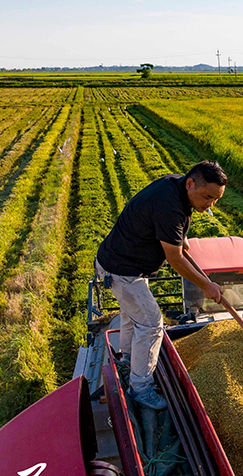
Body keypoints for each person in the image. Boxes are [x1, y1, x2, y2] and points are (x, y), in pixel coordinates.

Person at [95, 161, 227, 410]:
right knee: (151, 322)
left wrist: (179, 235)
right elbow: (175, 259)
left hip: (126, 260)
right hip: (121, 269)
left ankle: (128, 361)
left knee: (132, 315)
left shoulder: (175, 185)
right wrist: (206, 286)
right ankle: (141, 388)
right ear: (190, 183)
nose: (211, 204)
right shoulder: (170, 207)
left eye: (216, 199)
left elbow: (163, 222)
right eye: (208, 196)